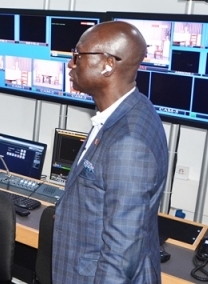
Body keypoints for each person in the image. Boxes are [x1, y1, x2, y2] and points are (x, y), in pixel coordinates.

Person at [52, 21, 168, 283]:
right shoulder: (128, 110)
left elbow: (121, 253)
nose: (71, 64)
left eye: (78, 55)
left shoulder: (129, 141)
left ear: (108, 64)